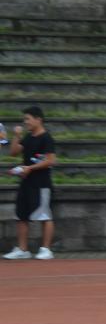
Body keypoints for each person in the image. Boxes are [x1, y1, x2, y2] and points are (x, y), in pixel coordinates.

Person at [2, 106, 56, 260]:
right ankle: (22, 249)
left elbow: (50, 160)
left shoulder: (46, 138)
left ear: (38, 119)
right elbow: (14, 152)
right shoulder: (28, 137)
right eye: (24, 119)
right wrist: (16, 136)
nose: (25, 122)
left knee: (45, 216)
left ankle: (46, 249)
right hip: (26, 183)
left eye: (28, 119)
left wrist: (30, 168)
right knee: (21, 215)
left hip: (41, 184)